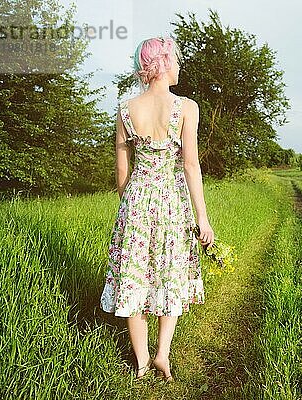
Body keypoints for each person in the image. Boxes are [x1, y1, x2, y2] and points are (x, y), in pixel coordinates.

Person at [99, 36, 215, 383]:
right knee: (170, 274)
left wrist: (130, 206)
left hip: (136, 202)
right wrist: (203, 219)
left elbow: (122, 171)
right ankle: (163, 354)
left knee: (133, 277)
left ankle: (141, 360)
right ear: (163, 65)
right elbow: (191, 166)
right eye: (176, 60)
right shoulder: (187, 107)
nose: (179, 67)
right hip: (172, 204)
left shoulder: (124, 109)